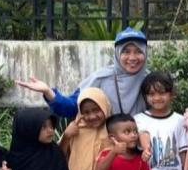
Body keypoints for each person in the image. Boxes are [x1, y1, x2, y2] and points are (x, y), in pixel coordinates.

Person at [16, 27, 150, 117]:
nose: (132, 58)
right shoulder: (101, 78)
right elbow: (72, 107)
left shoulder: (150, 80)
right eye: (126, 52)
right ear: (117, 54)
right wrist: (48, 92)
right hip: (105, 150)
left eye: (138, 51)